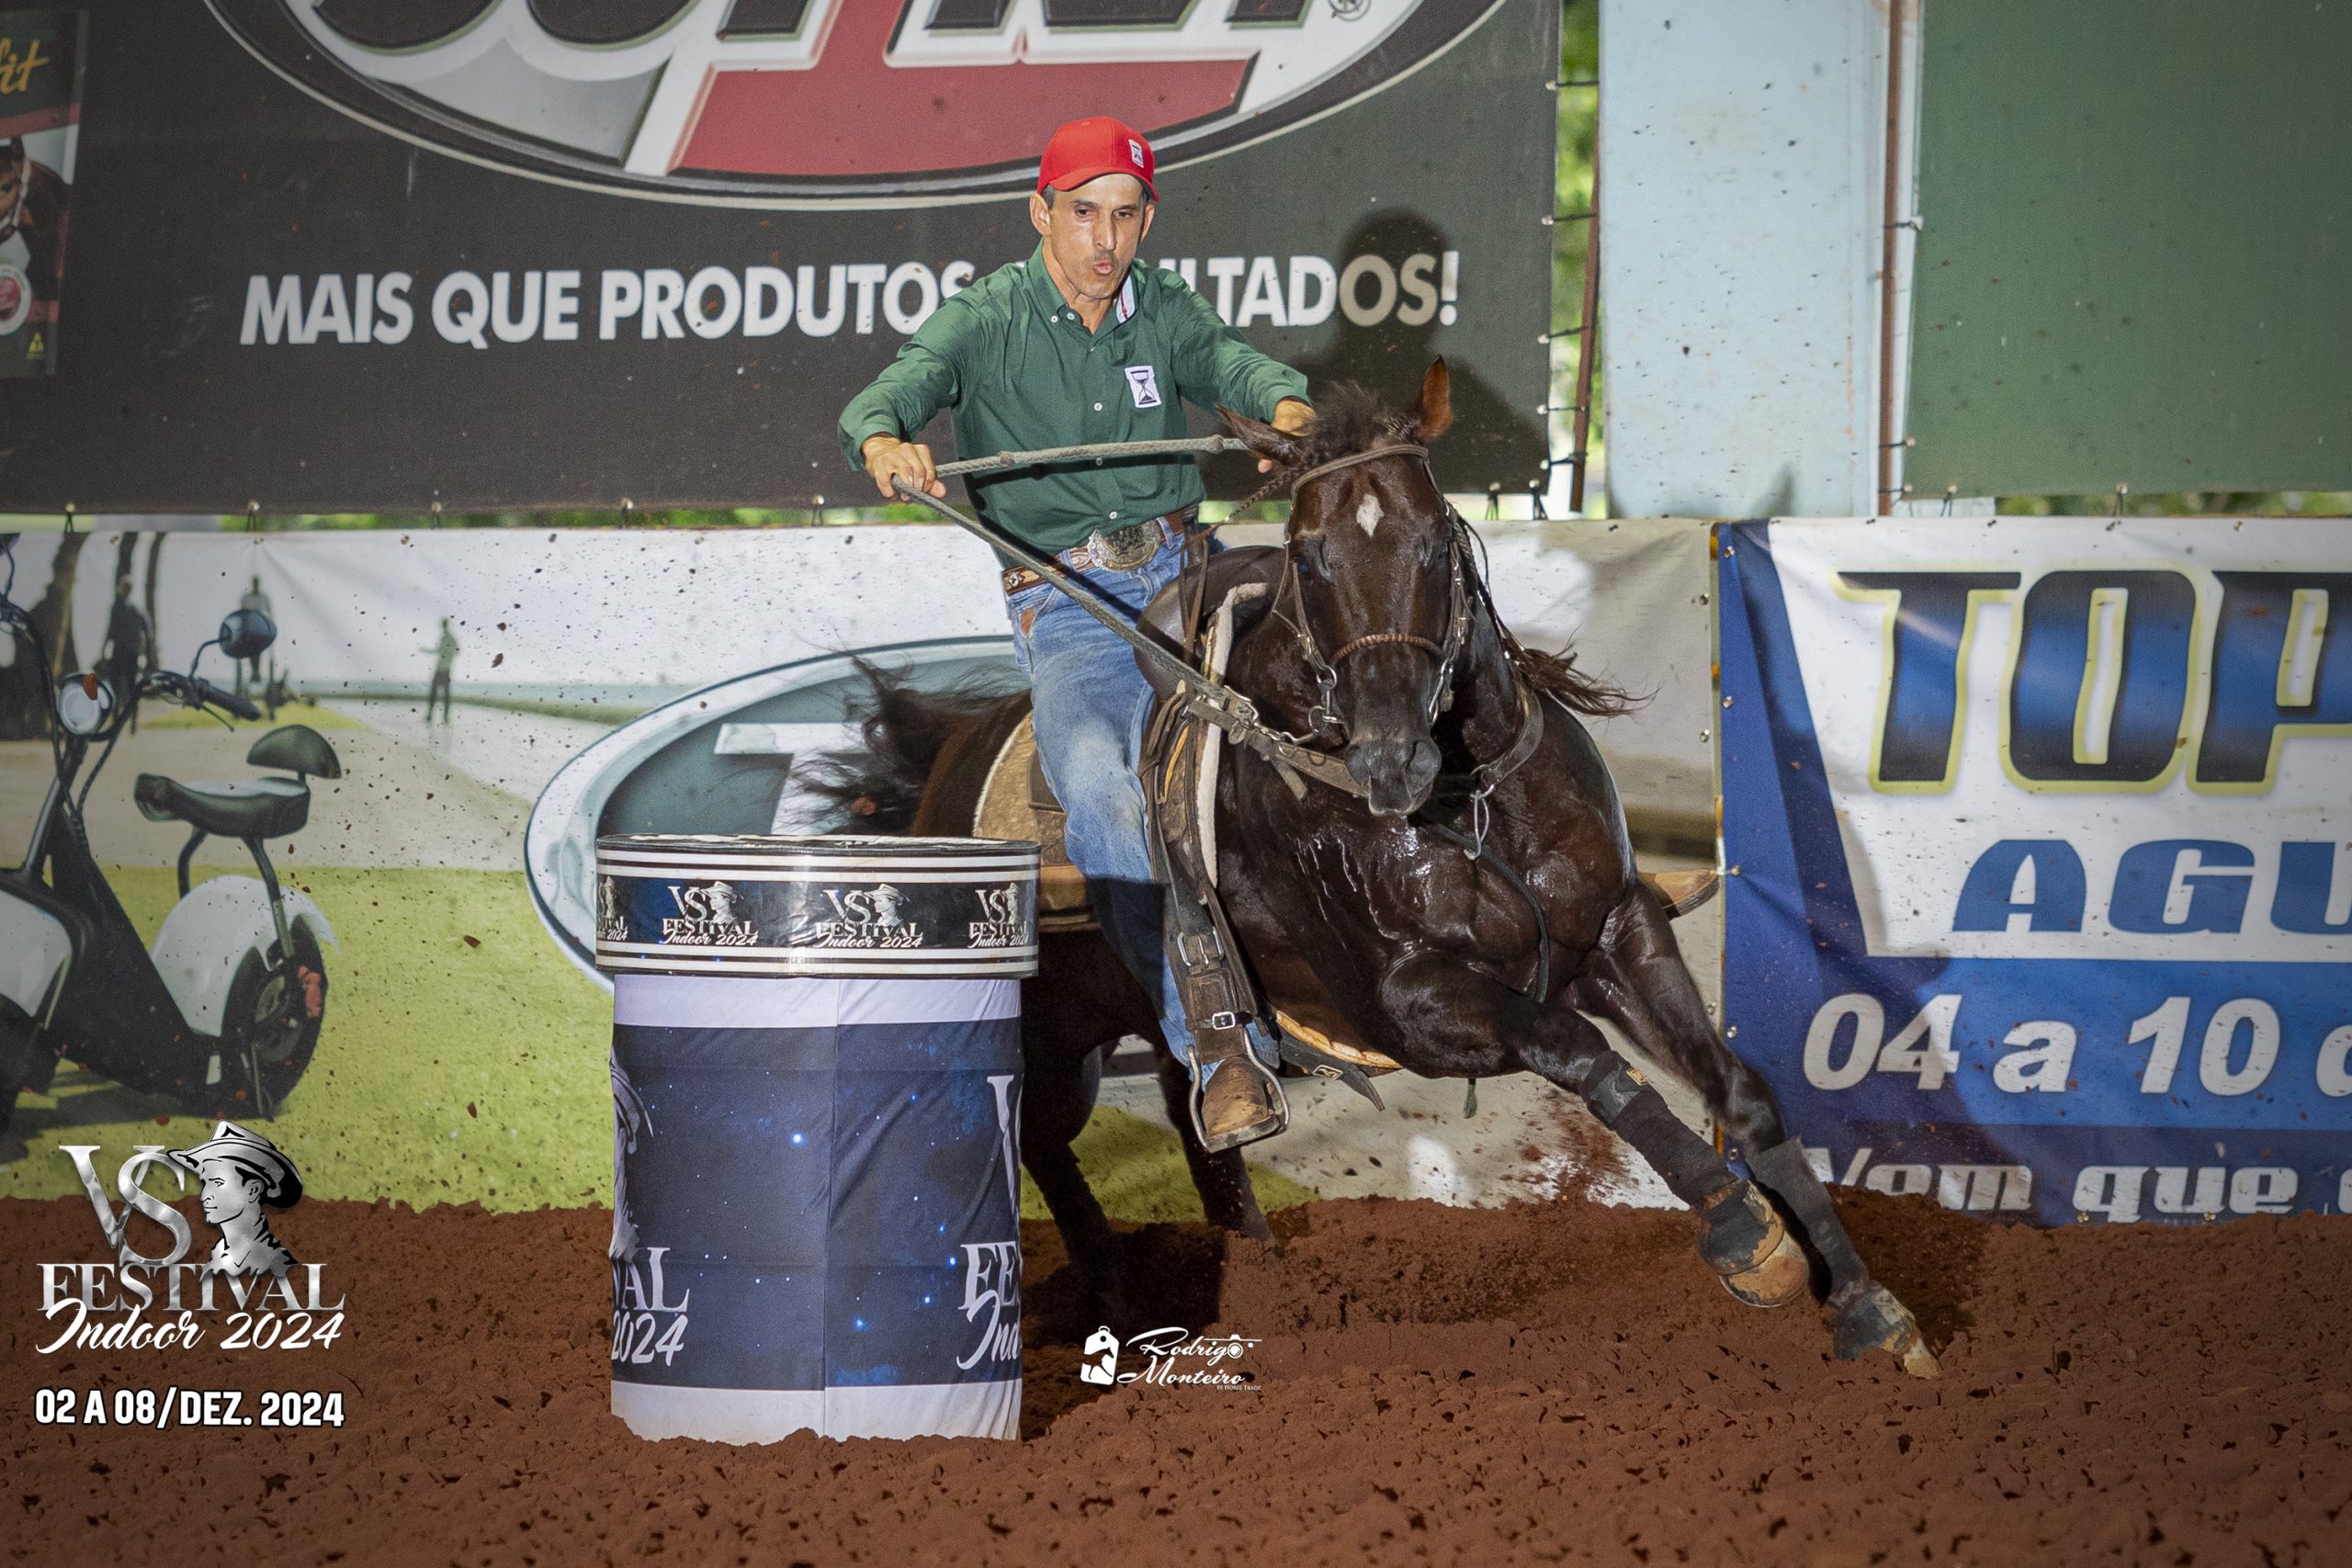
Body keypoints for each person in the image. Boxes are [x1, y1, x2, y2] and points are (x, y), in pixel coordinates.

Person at [840, 116, 1314, 1150]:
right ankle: (1218, 1053)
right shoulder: (983, 320)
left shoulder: (1165, 308)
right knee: (1101, 792)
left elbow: (1233, 364)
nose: (1105, 239)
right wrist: (886, 439)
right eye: (1084, 213)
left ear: (1148, 219)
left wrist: (1283, 405)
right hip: (1070, 604)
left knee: (1337, 704)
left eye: (1125, 214)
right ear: (1040, 213)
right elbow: (888, 394)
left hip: (1194, 575)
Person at [167, 1121, 302, 1279]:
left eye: (218, 1182)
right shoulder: (219, 1254)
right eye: (205, 1182)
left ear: (253, 1190)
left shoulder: (275, 1264)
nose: (205, 1196)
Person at [97, 575, 147, 734]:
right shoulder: (136, 609)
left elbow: (110, 630)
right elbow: (145, 633)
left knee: (120, 689)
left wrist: (104, 649)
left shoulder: (120, 607)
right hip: (128, 654)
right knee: (127, 689)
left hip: (123, 654)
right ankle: (127, 721)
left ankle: (125, 721)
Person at [236, 575, 273, 697]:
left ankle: (255, 673)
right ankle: (255, 673)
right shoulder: (246, 598)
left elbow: (270, 613)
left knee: (257, 651)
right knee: (253, 650)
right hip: (249, 629)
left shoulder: (264, 598)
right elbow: (241, 613)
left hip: (261, 628)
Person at [424, 616, 458, 724]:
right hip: (444, 668)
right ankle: (442, 717)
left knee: (436, 693)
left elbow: (452, 650)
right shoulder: (448, 637)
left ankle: (434, 716)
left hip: (443, 668)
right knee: (443, 694)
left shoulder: (448, 637)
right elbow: (443, 650)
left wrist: (448, 656)